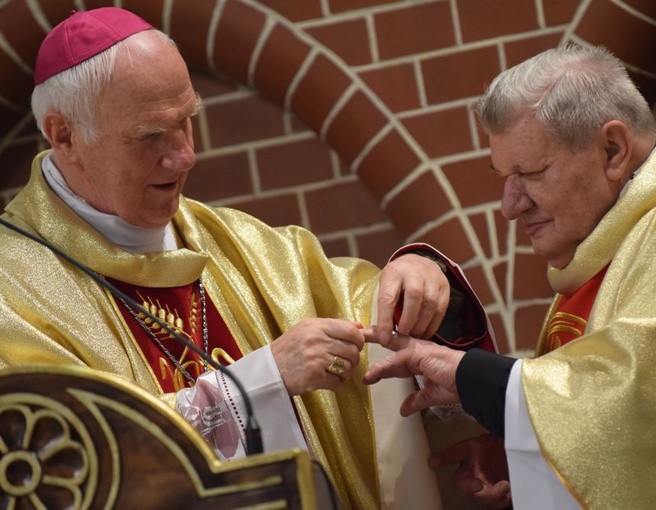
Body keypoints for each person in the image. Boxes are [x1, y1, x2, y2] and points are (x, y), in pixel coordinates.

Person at [0, 8, 489, 509]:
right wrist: (260, 382)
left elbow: (364, 308)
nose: (184, 155)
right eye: (150, 136)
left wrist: (417, 279)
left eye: (188, 121)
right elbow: (69, 459)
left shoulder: (230, 238)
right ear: (63, 135)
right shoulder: (12, 292)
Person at [363, 44, 656, 509]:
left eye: (531, 174)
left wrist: (474, 378)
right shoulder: (613, 244)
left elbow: (650, 405)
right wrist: (530, 453)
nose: (510, 206)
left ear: (612, 151)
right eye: (502, 177)